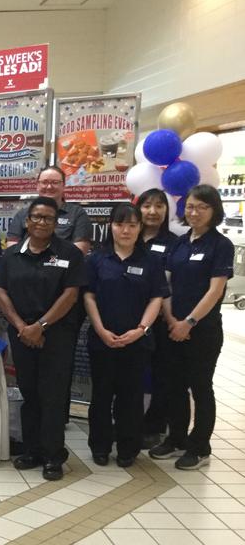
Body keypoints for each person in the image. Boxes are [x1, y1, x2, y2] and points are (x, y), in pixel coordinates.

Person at [0, 196, 86, 481]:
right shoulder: (11, 255)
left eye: (48, 218)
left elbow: (70, 295)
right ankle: (32, 449)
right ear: (26, 221)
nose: (42, 222)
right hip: (22, 335)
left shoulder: (70, 253)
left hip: (56, 336)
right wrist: (23, 327)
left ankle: (53, 455)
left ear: (56, 223)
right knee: (29, 393)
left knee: (53, 396)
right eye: (37, 217)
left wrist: (41, 326)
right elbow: (2, 292)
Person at [149, 185, 233, 470]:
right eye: (190, 206)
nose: (194, 212)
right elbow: (167, 284)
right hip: (173, 327)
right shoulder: (180, 243)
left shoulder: (220, 245)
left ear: (214, 211)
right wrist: (172, 319)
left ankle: (200, 447)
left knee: (200, 388)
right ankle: (176, 438)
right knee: (174, 386)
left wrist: (189, 322)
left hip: (203, 330)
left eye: (202, 207)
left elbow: (214, 291)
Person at [83, 203, 167, 468]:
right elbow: (89, 296)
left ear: (140, 227)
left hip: (137, 342)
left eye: (132, 225)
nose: (126, 230)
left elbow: (157, 297)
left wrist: (140, 330)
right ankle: (100, 446)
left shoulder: (151, 261)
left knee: (130, 398)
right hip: (102, 340)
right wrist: (100, 329)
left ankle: (128, 448)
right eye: (120, 224)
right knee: (101, 396)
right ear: (111, 226)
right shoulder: (97, 259)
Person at [137, 188, 178, 449]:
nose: (153, 211)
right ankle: (128, 422)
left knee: (162, 374)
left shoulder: (175, 243)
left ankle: (154, 426)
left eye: (159, 206)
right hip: (129, 318)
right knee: (131, 374)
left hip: (161, 319)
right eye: (147, 205)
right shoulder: (128, 236)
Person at [6, 167, 93, 255]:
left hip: (62, 266)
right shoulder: (23, 214)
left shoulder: (77, 214)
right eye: (44, 182)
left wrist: (50, 264)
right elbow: (12, 246)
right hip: (25, 265)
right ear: (37, 185)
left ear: (63, 186)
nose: (49, 186)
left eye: (55, 182)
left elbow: (80, 251)